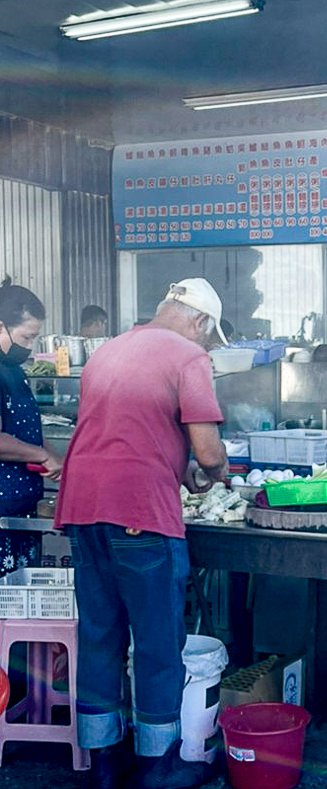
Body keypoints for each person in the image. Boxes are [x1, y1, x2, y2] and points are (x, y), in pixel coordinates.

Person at [54, 278, 228, 789]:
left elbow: (128, 431)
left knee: (101, 635)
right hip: (139, 513)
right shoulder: (187, 356)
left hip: (83, 509)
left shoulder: (108, 351)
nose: (205, 348)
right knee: (156, 642)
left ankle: (104, 762)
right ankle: (158, 764)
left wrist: (182, 469)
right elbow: (210, 451)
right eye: (208, 338)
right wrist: (216, 473)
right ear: (199, 322)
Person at [0, 279, 63, 574]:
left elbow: (29, 429)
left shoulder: (14, 370)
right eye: (26, 338)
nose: (29, 347)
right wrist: (40, 455)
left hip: (21, 508)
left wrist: (52, 456)